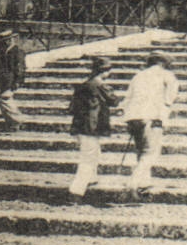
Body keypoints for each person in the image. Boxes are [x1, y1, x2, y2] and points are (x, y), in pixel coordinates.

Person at [121, 51, 179, 202]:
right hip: (152, 117)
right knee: (150, 153)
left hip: (133, 117)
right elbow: (169, 98)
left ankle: (144, 185)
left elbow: (127, 98)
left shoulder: (138, 76)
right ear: (164, 63)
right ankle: (132, 185)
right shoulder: (167, 75)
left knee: (141, 152)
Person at [69, 56, 119, 202]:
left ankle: (91, 179)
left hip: (80, 126)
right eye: (108, 70)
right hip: (91, 127)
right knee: (88, 158)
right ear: (104, 71)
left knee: (94, 153)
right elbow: (114, 100)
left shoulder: (84, 85)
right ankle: (76, 191)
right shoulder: (99, 84)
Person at [0, 27, 28, 131]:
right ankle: (12, 123)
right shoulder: (5, 51)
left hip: (11, 80)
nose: (3, 44)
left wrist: (18, 81)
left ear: (10, 40)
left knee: (4, 99)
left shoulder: (17, 51)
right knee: (3, 99)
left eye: (5, 41)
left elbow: (20, 68)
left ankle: (17, 120)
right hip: (4, 81)